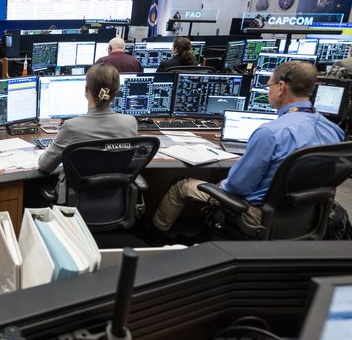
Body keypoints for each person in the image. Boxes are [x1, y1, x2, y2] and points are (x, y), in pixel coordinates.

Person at [145, 61, 344, 241]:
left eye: (270, 85)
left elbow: (237, 187)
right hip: (308, 215)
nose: (268, 91)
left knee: (182, 185)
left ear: (281, 87)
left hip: (259, 213)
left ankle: (155, 235)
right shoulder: (334, 131)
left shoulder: (270, 133)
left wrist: (223, 183)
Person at [37, 63, 139, 205]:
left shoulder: (73, 126)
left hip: (75, 201)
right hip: (115, 200)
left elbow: (45, 166)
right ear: (117, 91)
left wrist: (50, 148)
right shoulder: (130, 122)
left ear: (86, 89)